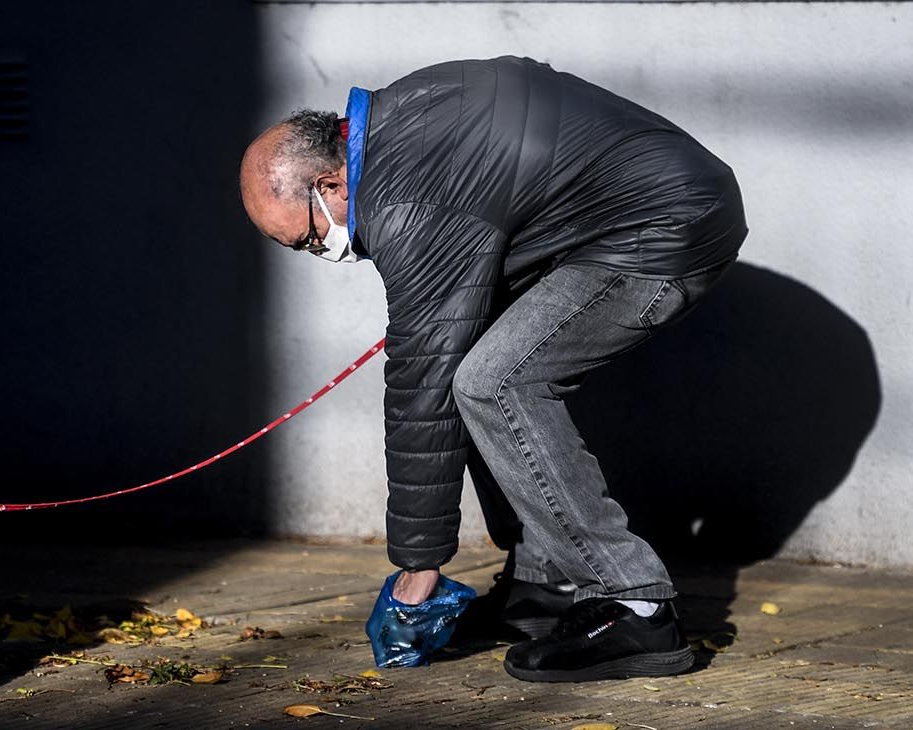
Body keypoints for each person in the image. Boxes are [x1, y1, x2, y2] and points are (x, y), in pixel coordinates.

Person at [239, 56, 747, 682]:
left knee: (494, 381)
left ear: (331, 185)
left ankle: (633, 603)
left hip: (663, 229)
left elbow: (420, 388)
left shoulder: (408, 199)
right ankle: (547, 584)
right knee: (474, 362)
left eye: (310, 239)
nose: (325, 252)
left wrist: (416, 570)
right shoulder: (405, 117)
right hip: (648, 210)